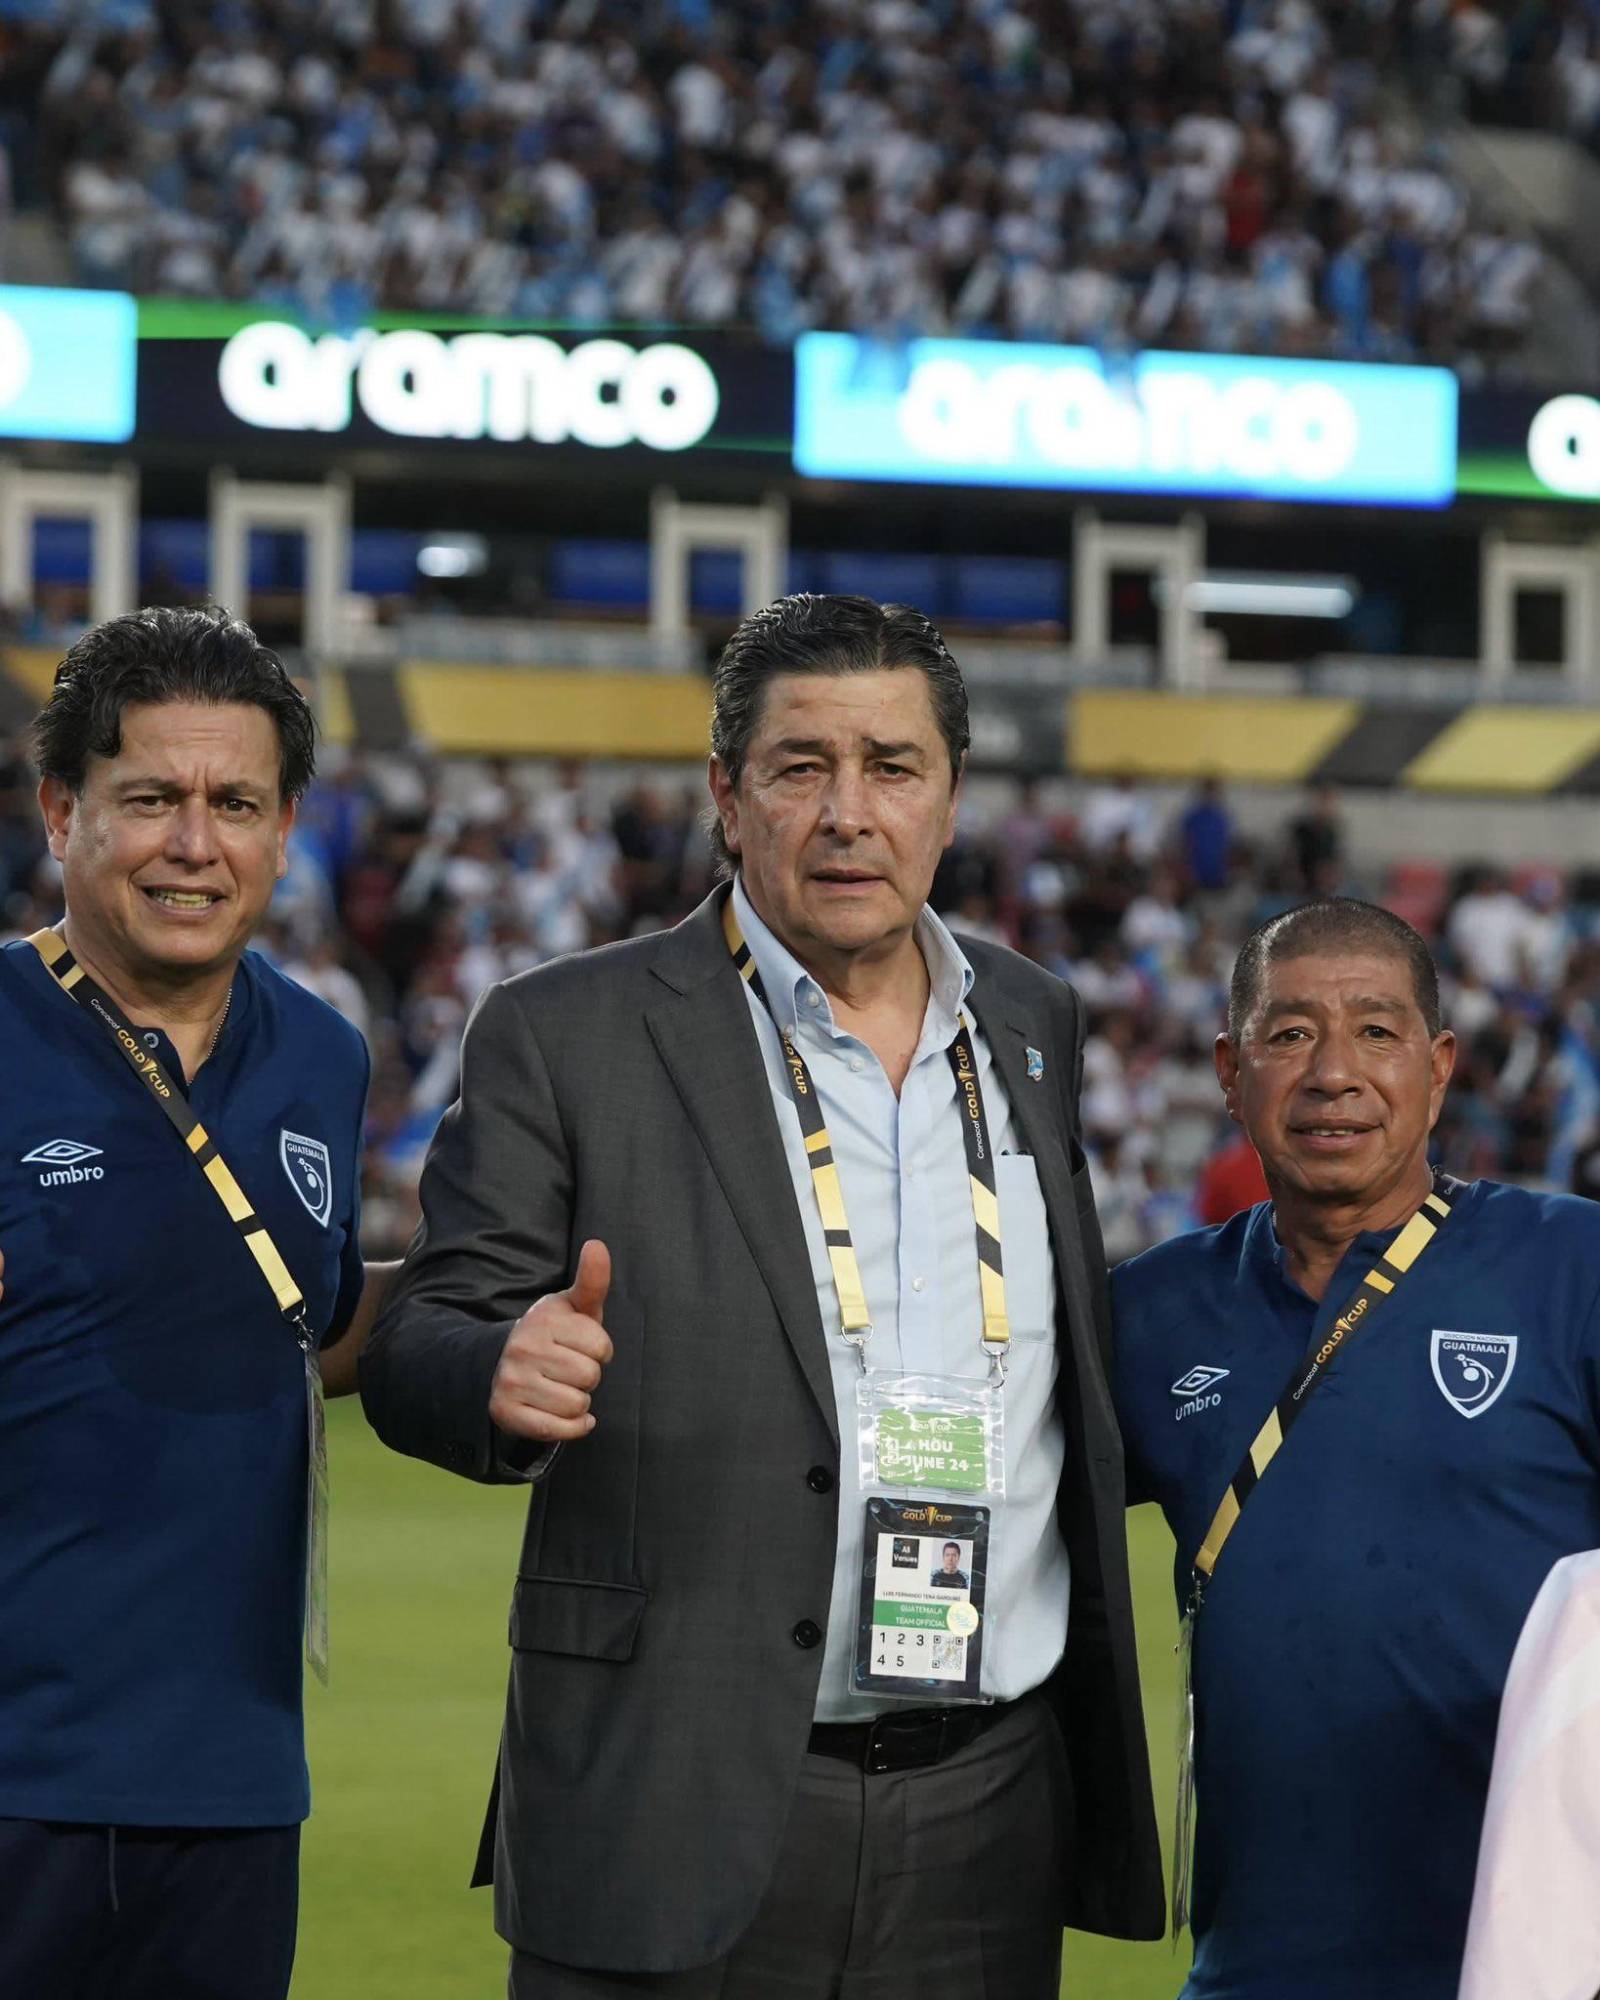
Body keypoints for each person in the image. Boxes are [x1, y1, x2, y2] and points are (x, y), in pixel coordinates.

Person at [360, 593, 1163, 1998]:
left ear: (951, 799)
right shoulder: (567, 1030)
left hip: (988, 1809)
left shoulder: (1030, 1023)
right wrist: (494, 1372)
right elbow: (426, 1330)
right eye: (802, 768)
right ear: (728, 799)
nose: (850, 812)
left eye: (892, 767)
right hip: (676, 1790)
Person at [0, 606, 390, 2000]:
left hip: (234, 1789)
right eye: (149, 799)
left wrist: (486, 1322)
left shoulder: (324, 1056)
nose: (194, 844)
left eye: (235, 803)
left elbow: (305, 1316)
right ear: (63, 812)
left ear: (287, 828)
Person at [1112, 898, 1600, 2000]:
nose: (1333, 1071)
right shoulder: (1150, 1311)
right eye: (1289, 1034)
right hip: (1257, 1964)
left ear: (1437, 1068)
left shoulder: (1572, 1266)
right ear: (1231, 1072)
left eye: (1375, 1031)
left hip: (1536, 1962)